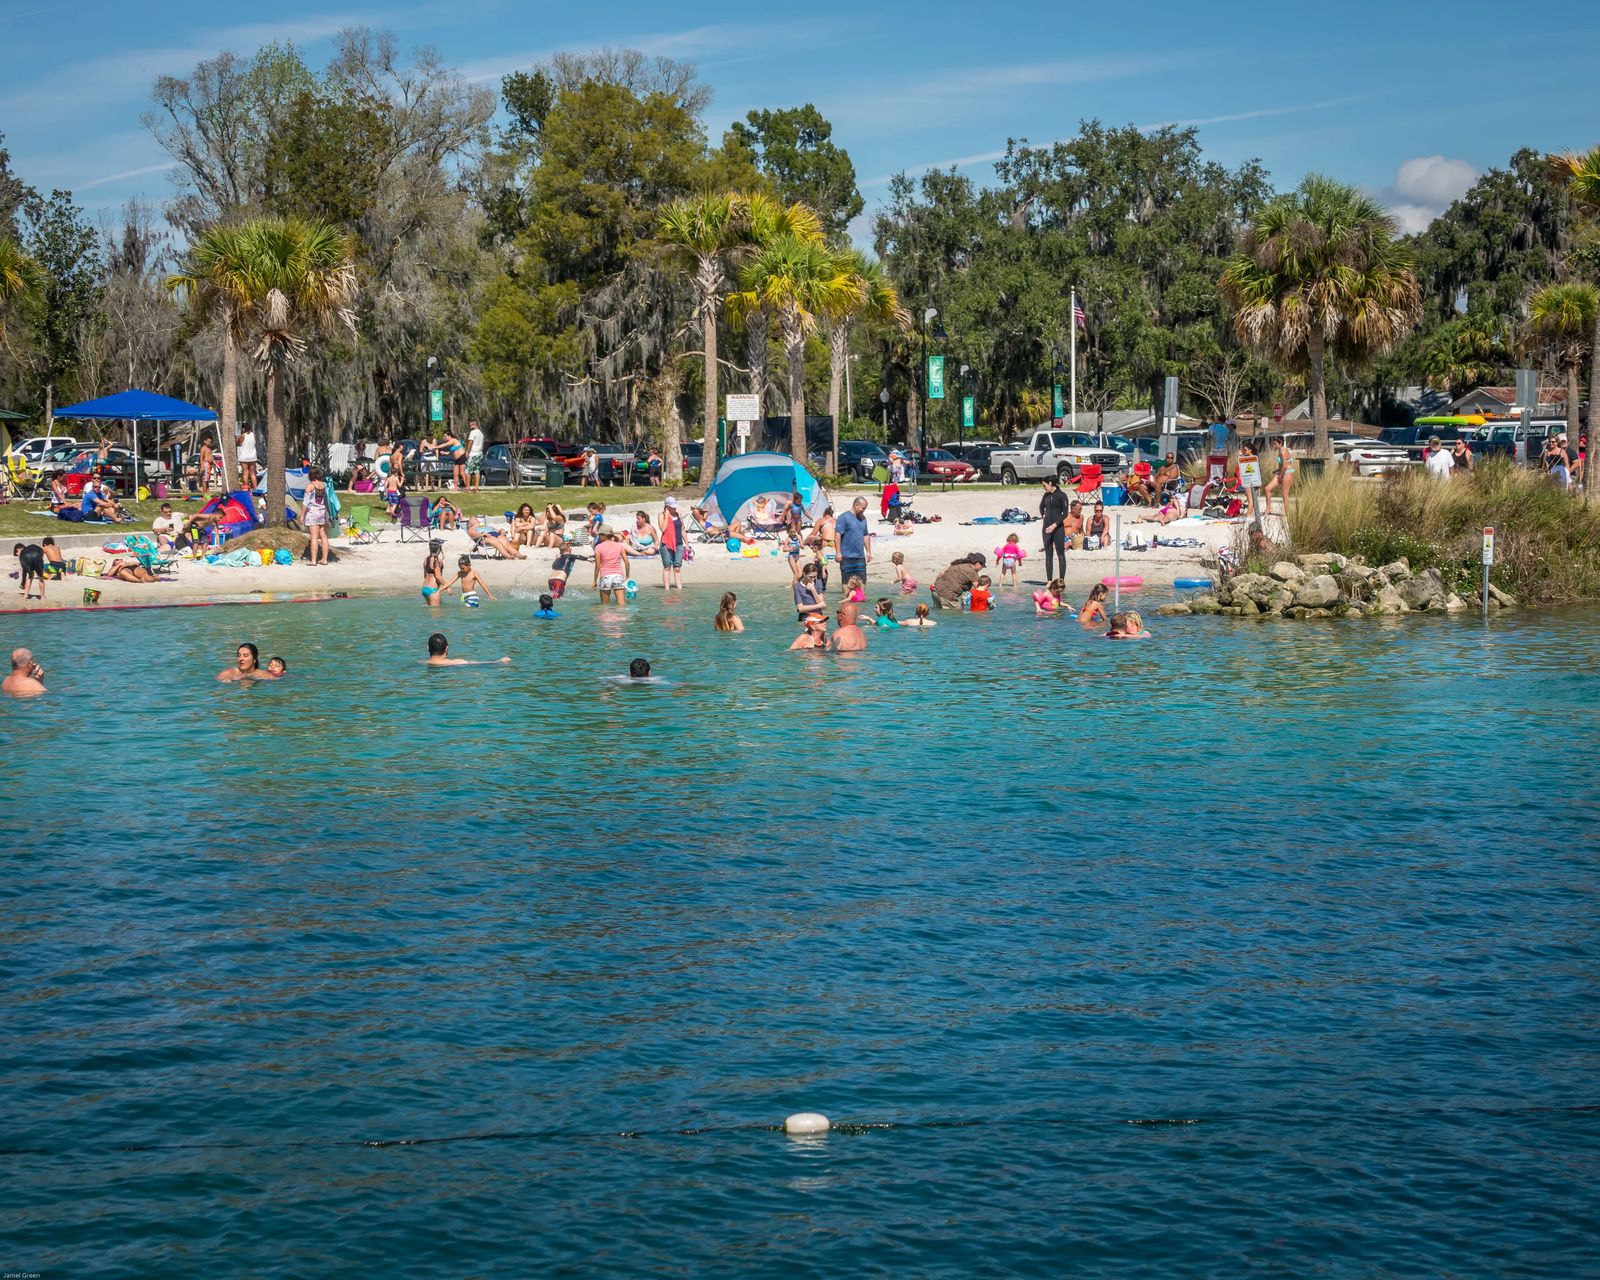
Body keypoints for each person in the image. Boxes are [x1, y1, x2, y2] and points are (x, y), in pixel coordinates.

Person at [835, 496, 872, 589]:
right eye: (863, 508)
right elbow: (837, 535)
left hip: (860, 555)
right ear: (855, 505)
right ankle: (847, 601)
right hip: (846, 555)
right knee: (846, 580)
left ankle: (861, 600)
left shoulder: (863, 519)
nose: (864, 510)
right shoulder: (843, 517)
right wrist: (838, 552)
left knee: (862, 579)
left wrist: (868, 552)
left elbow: (866, 535)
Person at [1039, 475, 1069, 580]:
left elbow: (1065, 513)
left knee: (1060, 554)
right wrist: (1042, 515)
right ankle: (1049, 580)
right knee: (1048, 555)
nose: (1044, 488)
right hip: (1046, 529)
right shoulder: (1046, 496)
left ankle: (1061, 580)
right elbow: (1041, 507)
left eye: (1044, 485)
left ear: (1050, 483)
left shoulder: (1061, 495)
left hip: (1058, 529)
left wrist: (1054, 525)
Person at [592, 526, 630, 604]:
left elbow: (598, 565)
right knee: (621, 604)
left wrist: (595, 580)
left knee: (604, 605)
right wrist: (627, 576)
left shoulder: (598, 547)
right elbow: (626, 561)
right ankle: (623, 616)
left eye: (600, 535)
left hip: (605, 576)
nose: (599, 537)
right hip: (618, 576)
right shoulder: (620, 545)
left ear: (604, 536)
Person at [426, 632, 509, 666]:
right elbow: (479, 663)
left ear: (428, 648)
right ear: (446, 648)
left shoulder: (421, 663)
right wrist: (499, 661)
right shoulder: (457, 663)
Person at [303, 466, 331, 565]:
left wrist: (302, 515)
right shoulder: (324, 485)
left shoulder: (310, 486)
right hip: (323, 512)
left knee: (314, 537)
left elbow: (306, 503)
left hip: (313, 512)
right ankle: (324, 559)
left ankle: (313, 560)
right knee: (324, 536)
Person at [1263, 437, 1294, 508]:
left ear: (1280, 443)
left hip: (1287, 472)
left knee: (1284, 494)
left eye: (1275, 444)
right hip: (1282, 472)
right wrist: (1278, 470)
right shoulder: (1281, 450)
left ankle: (1287, 513)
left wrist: (1280, 475)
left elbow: (1285, 465)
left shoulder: (1283, 451)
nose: (1274, 446)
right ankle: (1268, 509)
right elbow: (1283, 464)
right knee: (1267, 488)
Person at [236, 424, 258, 492]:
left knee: (245, 473)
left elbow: (237, 444)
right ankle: (255, 488)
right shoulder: (253, 435)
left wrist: (238, 436)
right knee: (253, 473)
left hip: (244, 457)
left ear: (243, 428)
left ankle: (246, 489)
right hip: (252, 457)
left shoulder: (242, 436)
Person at [465, 420, 485, 494]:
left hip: (473, 453)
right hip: (479, 453)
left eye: (471, 425)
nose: (470, 427)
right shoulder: (481, 433)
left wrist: (467, 451)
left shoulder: (473, 432)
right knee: (477, 471)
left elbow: (470, 442)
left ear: (474, 424)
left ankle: (467, 488)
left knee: (467, 471)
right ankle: (476, 488)